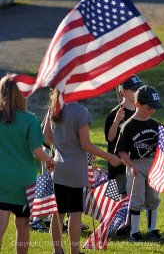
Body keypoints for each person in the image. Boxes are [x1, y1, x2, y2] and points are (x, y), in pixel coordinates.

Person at [44, 89, 122, 254]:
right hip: (76, 170)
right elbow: (86, 145)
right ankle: (75, 251)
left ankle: (57, 251)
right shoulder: (81, 112)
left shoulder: (54, 107)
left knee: (57, 213)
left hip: (58, 167)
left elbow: (46, 136)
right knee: (75, 213)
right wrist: (110, 157)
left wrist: (61, 148)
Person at [0, 73, 55, 254]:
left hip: (2, 180)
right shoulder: (29, 119)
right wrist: (50, 160)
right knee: (22, 226)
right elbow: (37, 151)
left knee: (0, 225)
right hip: (24, 182)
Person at [115, 85, 164, 242]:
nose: (152, 111)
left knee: (152, 198)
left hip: (153, 164)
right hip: (136, 165)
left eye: (154, 108)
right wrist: (131, 165)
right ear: (138, 104)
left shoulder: (155, 123)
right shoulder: (129, 125)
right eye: (149, 108)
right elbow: (121, 151)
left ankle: (152, 229)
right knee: (135, 199)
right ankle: (134, 232)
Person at [104, 75, 144, 198]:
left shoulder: (140, 111)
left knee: (137, 197)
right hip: (120, 165)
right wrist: (117, 121)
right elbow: (110, 138)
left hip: (136, 163)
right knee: (125, 197)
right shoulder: (115, 113)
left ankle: (132, 217)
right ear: (123, 92)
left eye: (140, 89)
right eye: (134, 90)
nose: (138, 93)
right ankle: (124, 217)